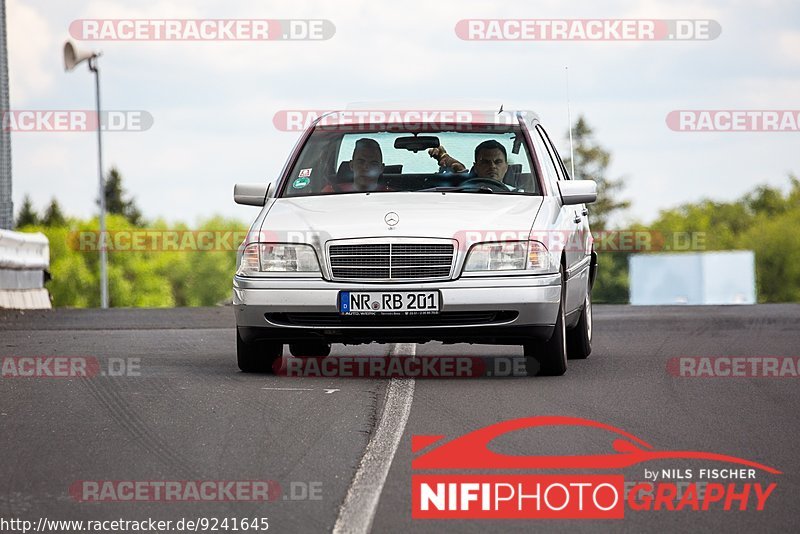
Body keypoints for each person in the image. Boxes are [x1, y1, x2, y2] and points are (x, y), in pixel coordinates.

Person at [323, 138, 389, 192]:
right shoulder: (330, 192)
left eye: (373, 163)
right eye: (361, 162)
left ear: (381, 169)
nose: (366, 167)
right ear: (351, 165)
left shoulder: (392, 196)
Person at [428, 139, 509, 181]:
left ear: (506, 167)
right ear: (476, 167)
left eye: (498, 162)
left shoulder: (518, 194)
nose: (492, 166)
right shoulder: (459, 191)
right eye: (485, 162)